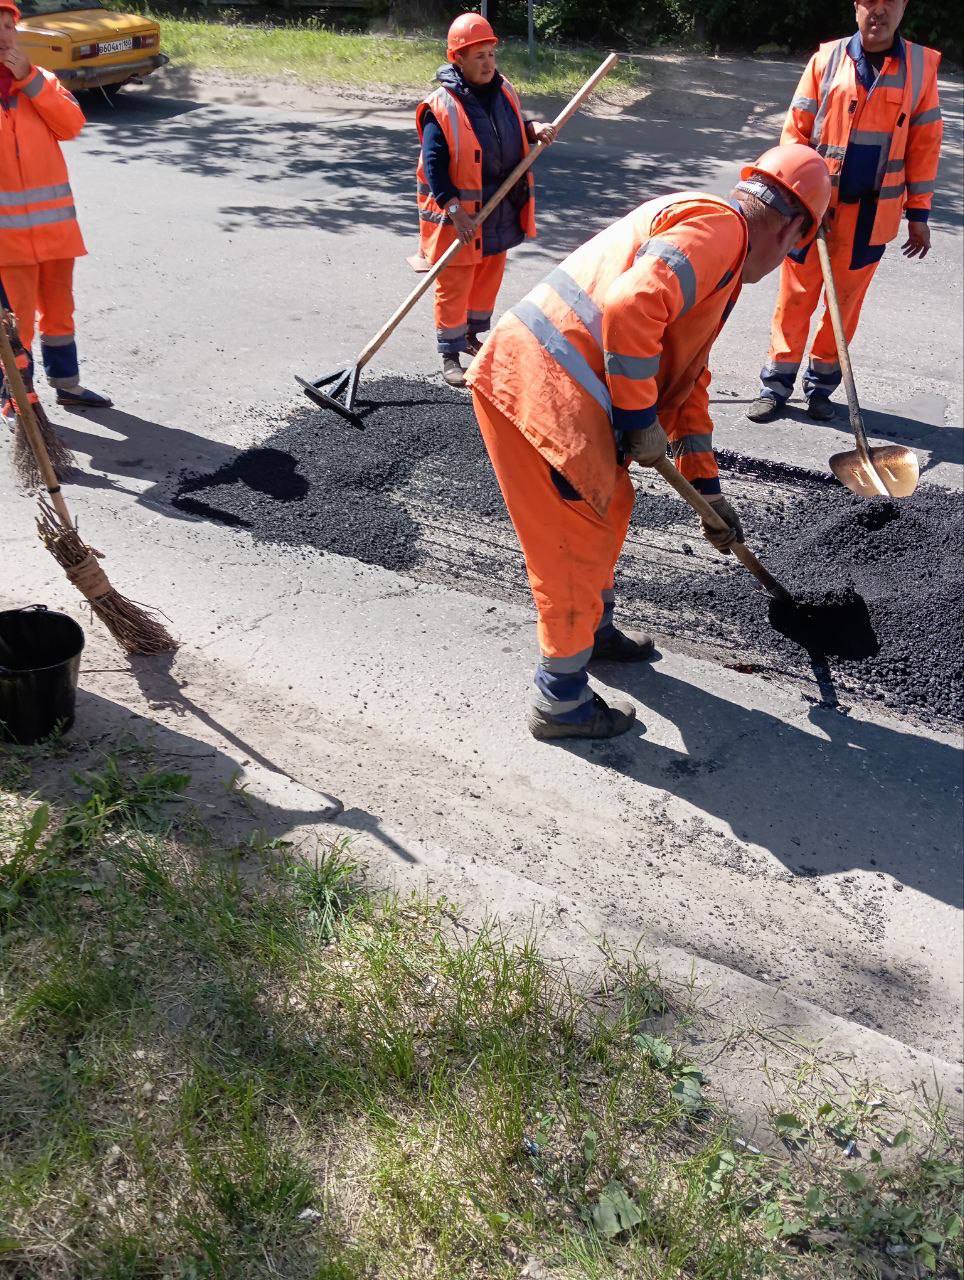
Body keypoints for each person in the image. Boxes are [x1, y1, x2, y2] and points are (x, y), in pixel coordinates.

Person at [467, 144, 832, 740]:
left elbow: (687, 386)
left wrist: (709, 492)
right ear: (794, 228)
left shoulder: (716, 245)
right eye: (800, 244)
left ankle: (595, 632)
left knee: (611, 506)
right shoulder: (719, 231)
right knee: (573, 539)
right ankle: (559, 701)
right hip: (541, 389)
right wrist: (637, 418)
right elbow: (629, 303)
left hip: (567, 389)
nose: (791, 255)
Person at [747, 0, 941, 423]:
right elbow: (794, 134)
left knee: (846, 305)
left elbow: (924, 147)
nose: (879, 11)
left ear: (903, 7)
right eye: (870, 1)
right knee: (796, 297)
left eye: (889, 2)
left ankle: (821, 388)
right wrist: (792, 202)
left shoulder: (921, 69)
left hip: (872, 214)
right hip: (811, 212)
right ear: (857, 7)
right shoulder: (828, 58)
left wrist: (919, 215)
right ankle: (775, 386)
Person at [416, 12, 555, 388]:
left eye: (491, 55)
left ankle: (474, 336)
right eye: (478, 57)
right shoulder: (440, 107)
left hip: (499, 206)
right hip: (459, 213)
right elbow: (434, 166)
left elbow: (512, 128)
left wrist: (534, 130)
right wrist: (455, 208)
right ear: (457, 59)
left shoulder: (504, 89)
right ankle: (448, 352)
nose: (488, 64)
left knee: (488, 274)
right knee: (455, 281)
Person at [0, 0, 110, 420]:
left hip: (56, 235)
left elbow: (71, 125)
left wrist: (28, 79)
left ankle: (67, 385)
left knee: (60, 311)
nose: (3, 36)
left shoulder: (40, 80)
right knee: (18, 323)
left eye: (9, 26)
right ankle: (16, 398)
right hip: (8, 241)